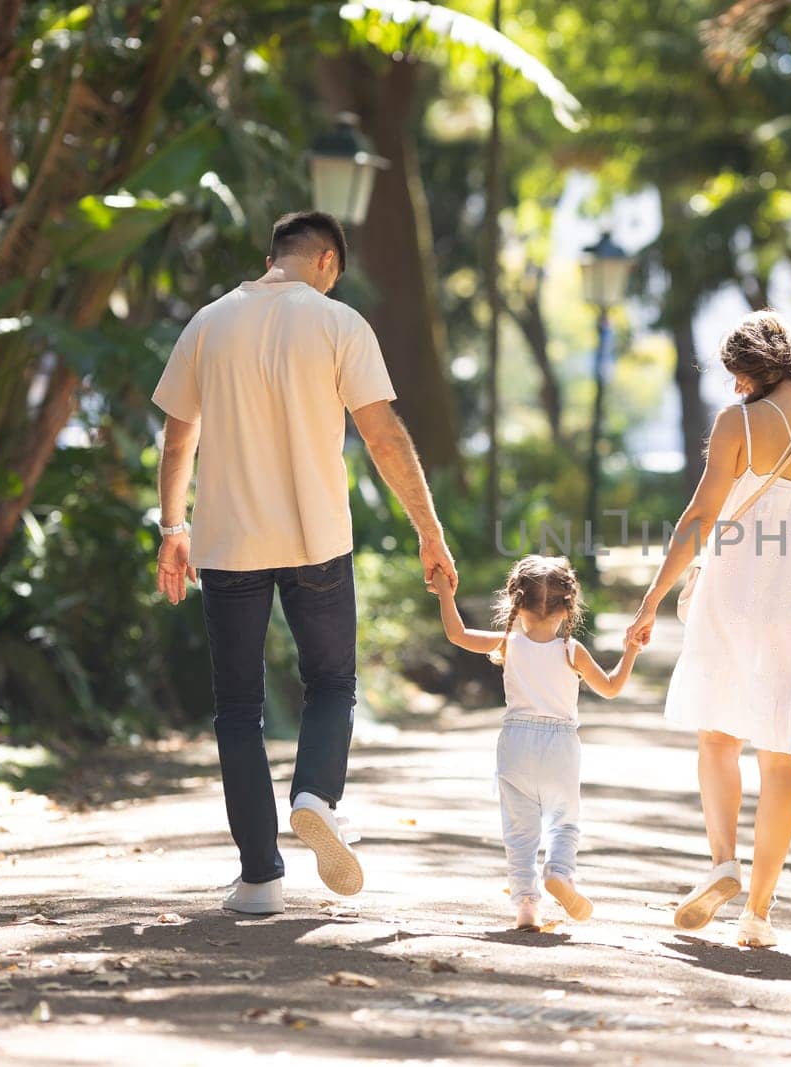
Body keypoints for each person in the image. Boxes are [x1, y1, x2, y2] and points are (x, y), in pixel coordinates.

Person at [152, 211, 457, 915]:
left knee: (237, 711)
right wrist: (428, 529)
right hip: (318, 540)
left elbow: (177, 439)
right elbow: (383, 435)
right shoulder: (337, 323)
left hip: (228, 547)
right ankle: (316, 793)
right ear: (325, 260)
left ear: (272, 258)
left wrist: (173, 525)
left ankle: (259, 879)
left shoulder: (208, 323)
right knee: (331, 683)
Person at [626, 310, 791, 949]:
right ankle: (758, 911)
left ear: (752, 372)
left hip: (733, 596)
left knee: (718, 737)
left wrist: (653, 597)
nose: (734, 390)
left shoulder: (739, 422)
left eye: (736, 377)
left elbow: (701, 516)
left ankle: (722, 863)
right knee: (782, 756)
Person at [430, 556, 642, 930]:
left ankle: (526, 906)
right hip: (561, 746)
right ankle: (559, 872)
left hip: (515, 745)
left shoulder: (509, 643)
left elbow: (457, 634)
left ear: (516, 602)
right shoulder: (571, 650)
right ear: (567, 607)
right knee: (563, 824)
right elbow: (610, 688)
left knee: (520, 833)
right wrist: (631, 652)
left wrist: (446, 593)